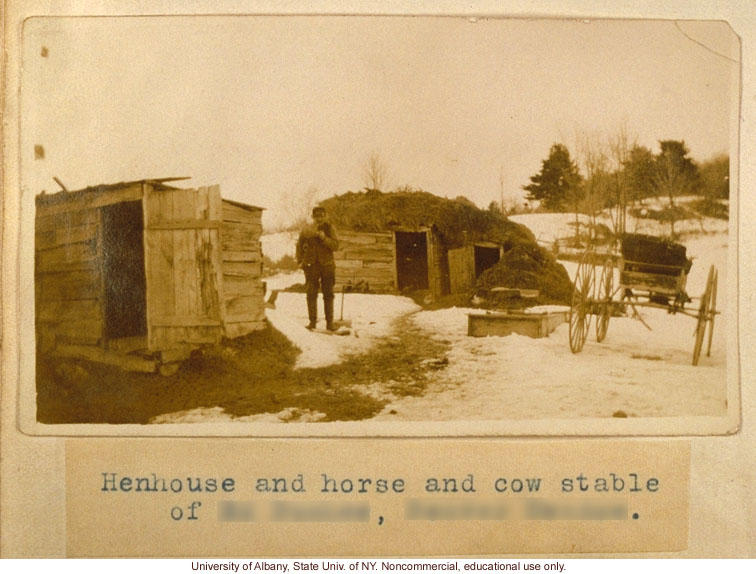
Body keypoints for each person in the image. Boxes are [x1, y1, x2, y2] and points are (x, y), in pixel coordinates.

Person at [296, 206, 340, 330]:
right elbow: (299, 245)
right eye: (316, 216)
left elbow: (336, 246)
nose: (319, 219)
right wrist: (300, 261)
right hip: (311, 266)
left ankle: (329, 323)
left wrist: (324, 238)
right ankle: (312, 322)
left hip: (327, 266)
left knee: (328, 294)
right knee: (311, 294)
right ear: (313, 217)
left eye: (321, 216)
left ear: (325, 216)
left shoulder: (330, 228)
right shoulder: (306, 230)